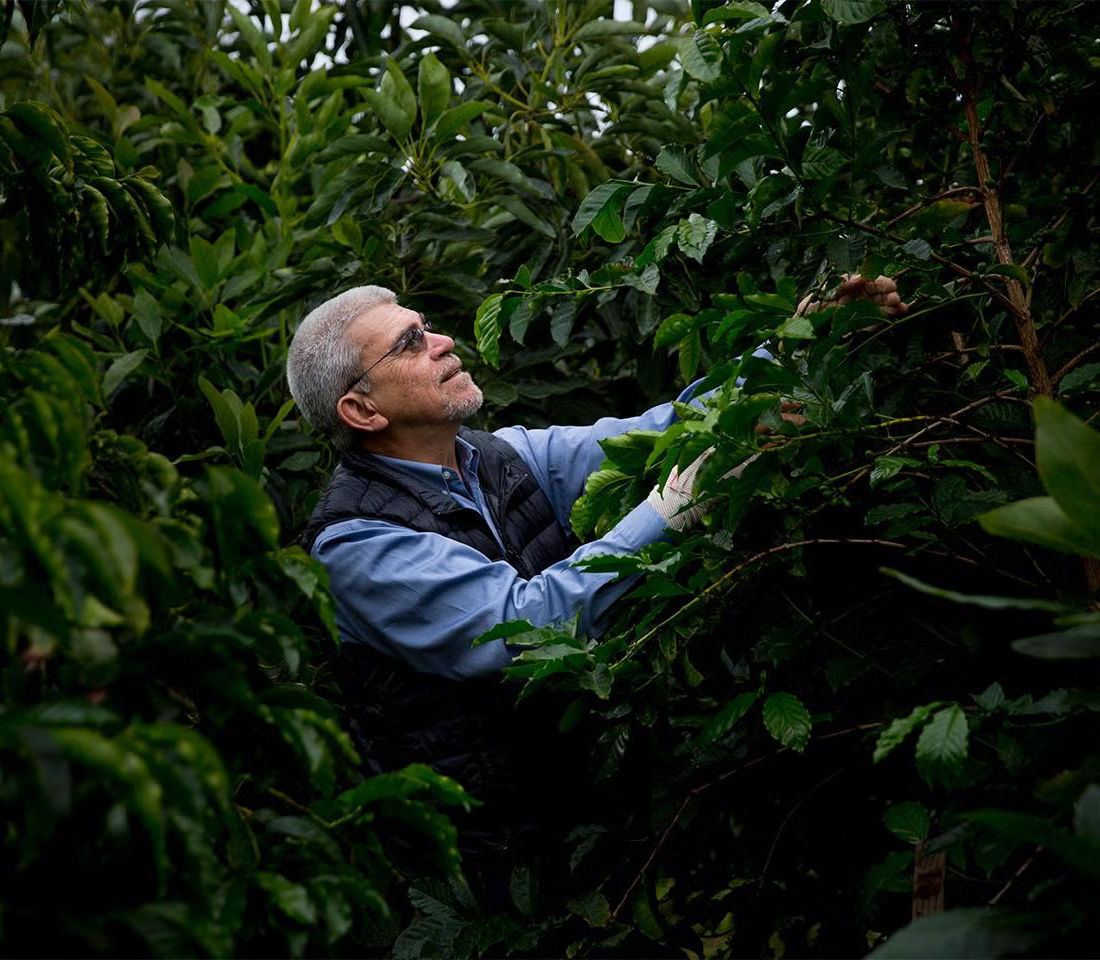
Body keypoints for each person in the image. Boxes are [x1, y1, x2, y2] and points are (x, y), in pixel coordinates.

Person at [285, 278, 906, 902]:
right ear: (362, 411)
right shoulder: (356, 543)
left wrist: (799, 343)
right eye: (410, 342)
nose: (443, 342)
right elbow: (527, 625)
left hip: (583, 813)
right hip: (487, 859)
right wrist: (672, 508)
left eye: (427, 326)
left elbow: (662, 432)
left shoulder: (498, 456)